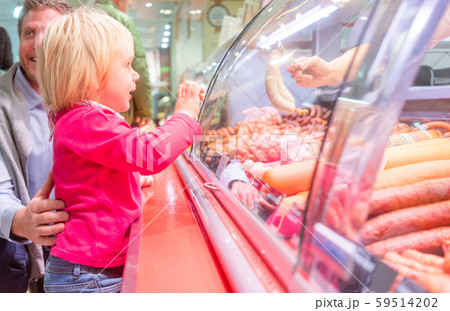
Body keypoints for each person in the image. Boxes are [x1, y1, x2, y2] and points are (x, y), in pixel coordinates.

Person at [37, 7, 204, 293]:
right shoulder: (88, 120)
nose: (136, 75)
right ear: (90, 73)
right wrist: (185, 117)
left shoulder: (83, 118)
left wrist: (128, 178)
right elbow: (149, 154)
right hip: (88, 276)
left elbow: (95, 177)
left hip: (90, 269)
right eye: (127, 65)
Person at [0, 0, 73, 293]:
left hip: (73, 251)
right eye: (30, 33)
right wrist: (22, 221)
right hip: (13, 249)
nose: (38, 45)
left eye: (51, 33)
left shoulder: (87, 96)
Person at [96, 0, 154, 127]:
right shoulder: (123, 20)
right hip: (119, 111)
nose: (129, 5)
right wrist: (146, 112)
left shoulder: (83, 16)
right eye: (128, 3)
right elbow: (139, 65)